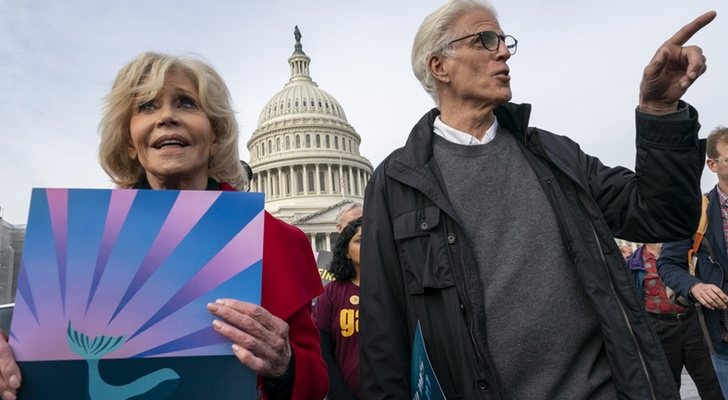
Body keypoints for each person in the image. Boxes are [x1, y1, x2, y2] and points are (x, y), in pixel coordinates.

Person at [359, 0, 715, 398]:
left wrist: (660, 111)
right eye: (485, 40)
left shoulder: (555, 155)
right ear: (439, 66)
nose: (504, 51)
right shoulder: (397, 182)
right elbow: (382, 334)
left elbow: (661, 218)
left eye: (504, 40)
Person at [0, 52, 328, 400]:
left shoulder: (279, 240)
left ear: (214, 133)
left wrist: (284, 365)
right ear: (129, 141)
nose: (167, 117)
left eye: (186, 103)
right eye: (146, 107)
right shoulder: (75, 238)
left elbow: (316, 382)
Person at [659, 126, 728, 399]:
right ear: (712, 164)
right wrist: (696, 287)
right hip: (723, 342)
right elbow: (668, 265)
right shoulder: (695, 211)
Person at [627, 243, 722, 398]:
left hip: (692, 322)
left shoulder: (680, 250)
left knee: (709, 380)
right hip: (659, 327)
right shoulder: (635, 261)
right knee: (667, 383)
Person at [313, 217, 362, 399]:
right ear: (347, 252)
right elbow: (323, 349)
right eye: (359, 241)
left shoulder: (393, 287)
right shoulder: (332, 293)